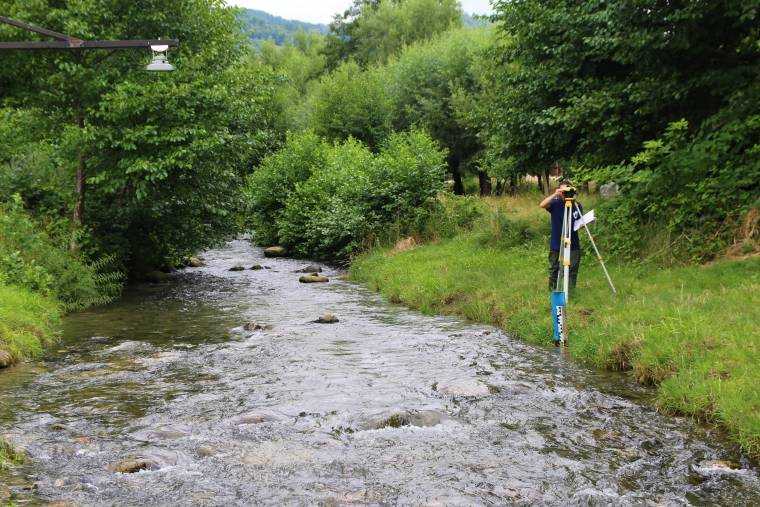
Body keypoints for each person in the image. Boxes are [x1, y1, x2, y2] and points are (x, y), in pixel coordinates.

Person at [539, 181, 583, 291]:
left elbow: (578, 223)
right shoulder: (555, 203)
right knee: (554, 268)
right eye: (563, 191)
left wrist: (585, 223)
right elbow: (542, 205)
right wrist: (555, 194)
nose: (566, 194)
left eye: (568, 190)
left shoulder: (577, 205)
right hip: (557, 242)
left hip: (573, 242)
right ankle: (553, 291)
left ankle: (570, 291)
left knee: (572, 269)